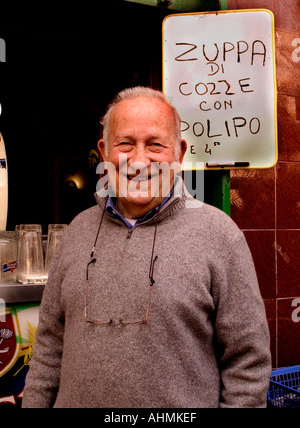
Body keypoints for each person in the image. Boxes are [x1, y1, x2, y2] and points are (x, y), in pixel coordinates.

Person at [22, 86, 271, 408]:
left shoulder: (220, 236)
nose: (139, 161)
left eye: (155, 145)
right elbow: (49, 347)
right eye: (125, 143)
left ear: (179, 154)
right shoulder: (77, 231)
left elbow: (247, 363)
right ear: (105, 151)